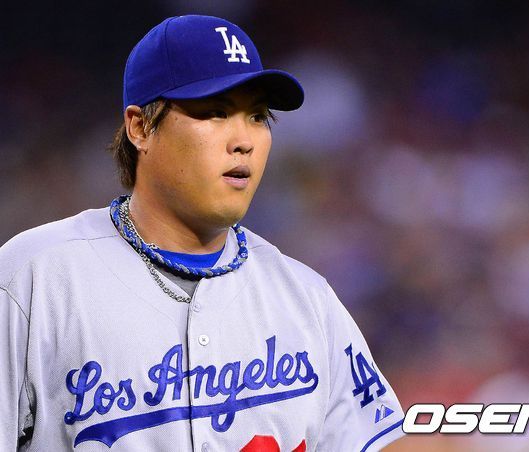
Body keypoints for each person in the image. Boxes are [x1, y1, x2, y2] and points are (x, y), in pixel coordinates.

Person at [0, 15, 404, 451]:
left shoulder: (306, 298)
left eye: (257, 116)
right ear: (140, 127)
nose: (244, 141)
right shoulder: (35, 279)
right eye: (215, 112)